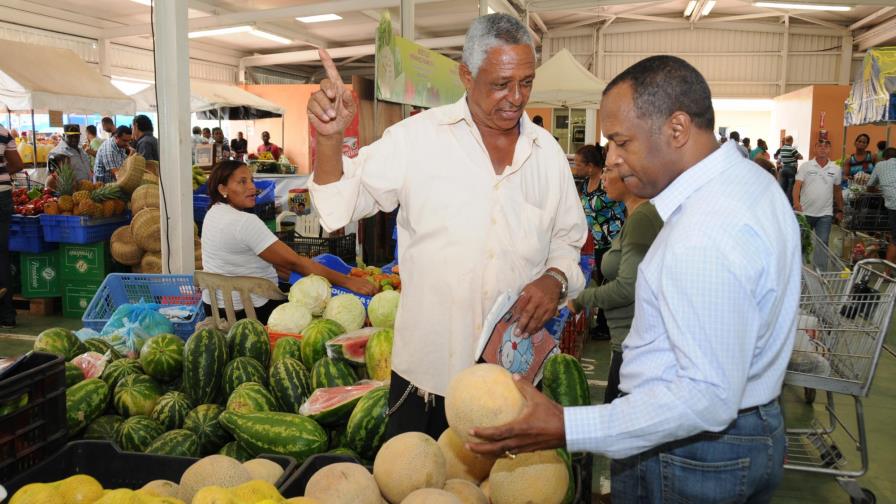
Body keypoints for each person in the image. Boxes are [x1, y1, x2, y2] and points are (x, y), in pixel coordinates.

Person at [468, 55, 800, 504]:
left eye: (622, 142)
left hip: (693, 453)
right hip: (739, 434)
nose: (615, 160)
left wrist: (568, 425)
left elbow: (706, 397)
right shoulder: (751, 185)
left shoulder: (703, 231)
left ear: (677, 129)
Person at [307, 13, 587, 441]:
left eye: (526, 82)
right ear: (466, 75)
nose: (516, 98)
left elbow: (568, 240)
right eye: (500, 84)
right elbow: (337, 206)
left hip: (511, 380)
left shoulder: (546, 153)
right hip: (427, 379)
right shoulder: (417, 140)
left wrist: (554, 277)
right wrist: (329, 139)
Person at [201, 160, 376, 323]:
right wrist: (348, 281)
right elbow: (295, 262)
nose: (252, 187)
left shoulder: (212, 214)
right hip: (253, 312)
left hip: (214, 309)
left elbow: (252, 261)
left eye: (252, 181)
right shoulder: (245, 222)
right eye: (242, 182)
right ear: (222, 189)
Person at [569, 161, 662, 403]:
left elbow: (628, 287)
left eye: (609, 171)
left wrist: (581, 299)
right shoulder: (636, 215)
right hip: (627, 339)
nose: (603, 178)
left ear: (630, 179)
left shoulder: (643, 219)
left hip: (635, 342)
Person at [574, 144, 625, 340]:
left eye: (579, 164)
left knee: (609, 284)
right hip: (595, 243)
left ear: (590, 166)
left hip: (613, 242)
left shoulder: (608, 180)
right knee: (599, 282)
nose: (575, 167)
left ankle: (606, 327)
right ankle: (602, 322)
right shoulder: (585, 183)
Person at [793, 139, 843, 269]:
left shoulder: (836, 169)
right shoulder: (806, 166)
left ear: (829, 149)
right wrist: (796, 202)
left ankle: (819, 274)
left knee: (823, 243)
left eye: (826, 146)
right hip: (805, 212)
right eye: (820, 146)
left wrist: (840, 209)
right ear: (815, 149)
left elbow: (837, 191)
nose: (823, 148)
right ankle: (800, 271)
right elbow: (797, 186)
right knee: (802, 242)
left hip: (825, 214)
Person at [0, 125, 23, 328]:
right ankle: (7, 314)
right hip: (3, 195)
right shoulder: (3, 131)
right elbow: (17, 163)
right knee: (2, 256)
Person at [866, 147, 896, 264]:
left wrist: (881, 189)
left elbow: (869, 187)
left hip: (894, 204)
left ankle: (887, 273)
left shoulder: (880, 165)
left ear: (884, 157)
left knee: (895, 240)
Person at [775, 135, 802, 203]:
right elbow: (801, 157)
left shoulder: (781, 149)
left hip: (783, 169)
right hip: (791, 169)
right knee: (790, 189)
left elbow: (778, 161)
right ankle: (789, 204)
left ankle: (781, 203)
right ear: (791, 141)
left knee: (783, 187)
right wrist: (795, 157)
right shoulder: (792, 149)